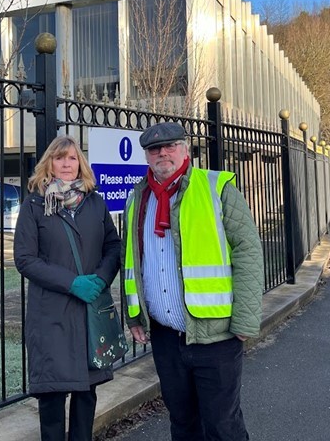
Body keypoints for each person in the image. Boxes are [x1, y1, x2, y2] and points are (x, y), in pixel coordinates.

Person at [122, 122, 264, 441]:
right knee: (183, 423)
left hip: (216, 334)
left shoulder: (216, 187)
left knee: (222, 424)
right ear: (146, 156)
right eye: (155, 149)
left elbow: (248, 251)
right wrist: (133, 314)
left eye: (170, 146)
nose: (163, 153)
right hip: (165, 336)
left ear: (186, 148)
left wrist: (246, 317)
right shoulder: (137, 199)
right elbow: (131, 261)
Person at [14, 135, 122, 441]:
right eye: (60, 158)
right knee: (52, 398)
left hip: (88, 312)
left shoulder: (94, 202)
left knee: (86, 395)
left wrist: (100, 278)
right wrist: (72, 283)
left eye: (72, 158)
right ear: (49, 163)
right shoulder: (35, 205)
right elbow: (24, 259)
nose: (66, 164)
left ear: (80, 164)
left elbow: (113, 246)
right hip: (51, 315)